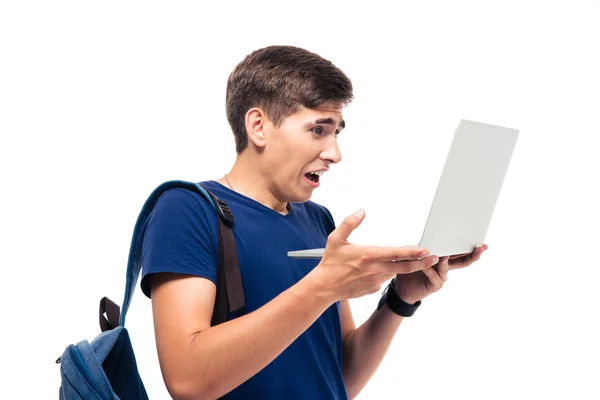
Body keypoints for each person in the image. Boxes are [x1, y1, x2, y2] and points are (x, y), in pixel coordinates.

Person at [140, 45, 488, 400]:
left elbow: (340, 378)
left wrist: (400, 299)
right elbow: (187, 380)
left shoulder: (318, 220)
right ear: (258, 126)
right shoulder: (187, 208)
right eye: (318, 130)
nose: (334, 153)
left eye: (337, 132)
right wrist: (323, 286)